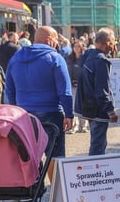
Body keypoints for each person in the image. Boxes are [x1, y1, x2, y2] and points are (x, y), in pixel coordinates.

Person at [5, 25, 73, 158]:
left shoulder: (15, 59)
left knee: (29, 157)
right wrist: (69, 114)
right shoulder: (55, 58)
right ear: (49, 40)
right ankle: (53, 173)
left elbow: (9, 90)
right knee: (55, 157)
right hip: (51, 113)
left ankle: (36, 173)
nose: (57, 44)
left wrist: (14, 111)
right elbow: (64, 91)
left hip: (24, 114)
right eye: (56, 40)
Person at [75, 27, 118, 156]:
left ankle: (94, 165)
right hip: (98, 109)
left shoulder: (87, 55)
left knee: (96, 142)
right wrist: (110, 110)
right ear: (107, 42)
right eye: (113, 42)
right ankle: (95, 167)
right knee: (98, 145)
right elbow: (102, 89)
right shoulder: (100, 61)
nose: (114, 46)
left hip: (87, 105)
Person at [65, 39, 88, 133]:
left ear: (82, 48)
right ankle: (74, 126)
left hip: (83, 85)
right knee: (73, 105)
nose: (77, 48)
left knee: (83, 105)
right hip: (72, 84)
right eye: (75, 46)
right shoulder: (69, 58)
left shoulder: (85, 58)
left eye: (79, 46)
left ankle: (83, 126)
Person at [0, 31, 21, 102]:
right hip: (14, 73)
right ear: (12, 37)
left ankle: (3, 103)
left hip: (2, 72)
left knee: (4, 90)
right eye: (17, 38)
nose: (18, 39)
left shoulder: (0, 48)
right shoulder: (16, 48)